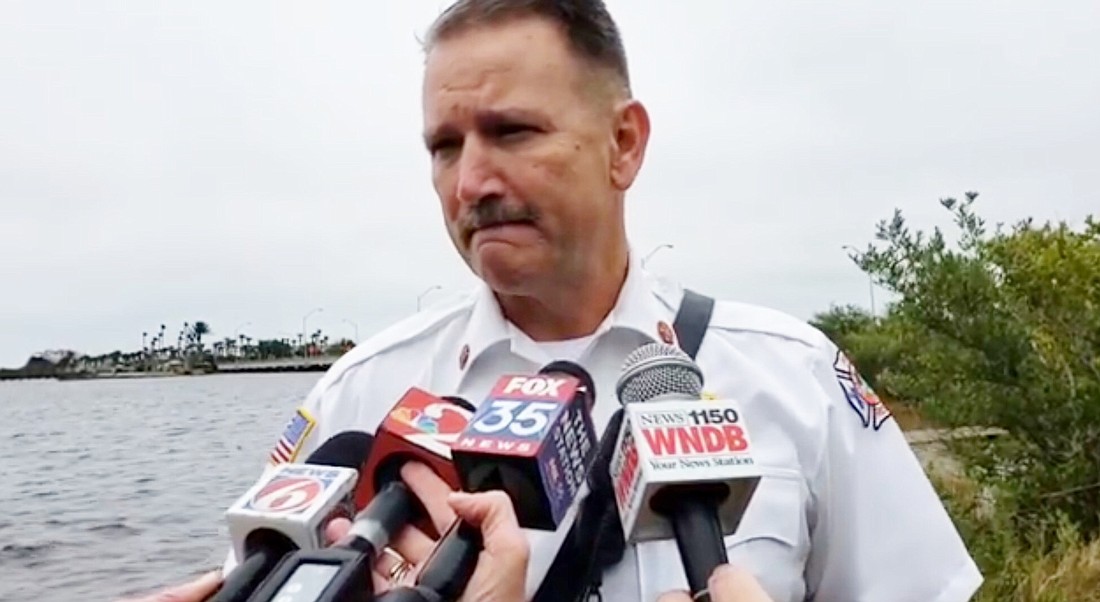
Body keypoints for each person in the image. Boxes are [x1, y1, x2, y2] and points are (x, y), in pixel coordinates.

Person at [145, 1, 984, 600]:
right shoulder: (354, 402)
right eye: (445, 146)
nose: (470, 181)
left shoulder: (792, 379)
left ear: (623, 144)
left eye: (512, 132)